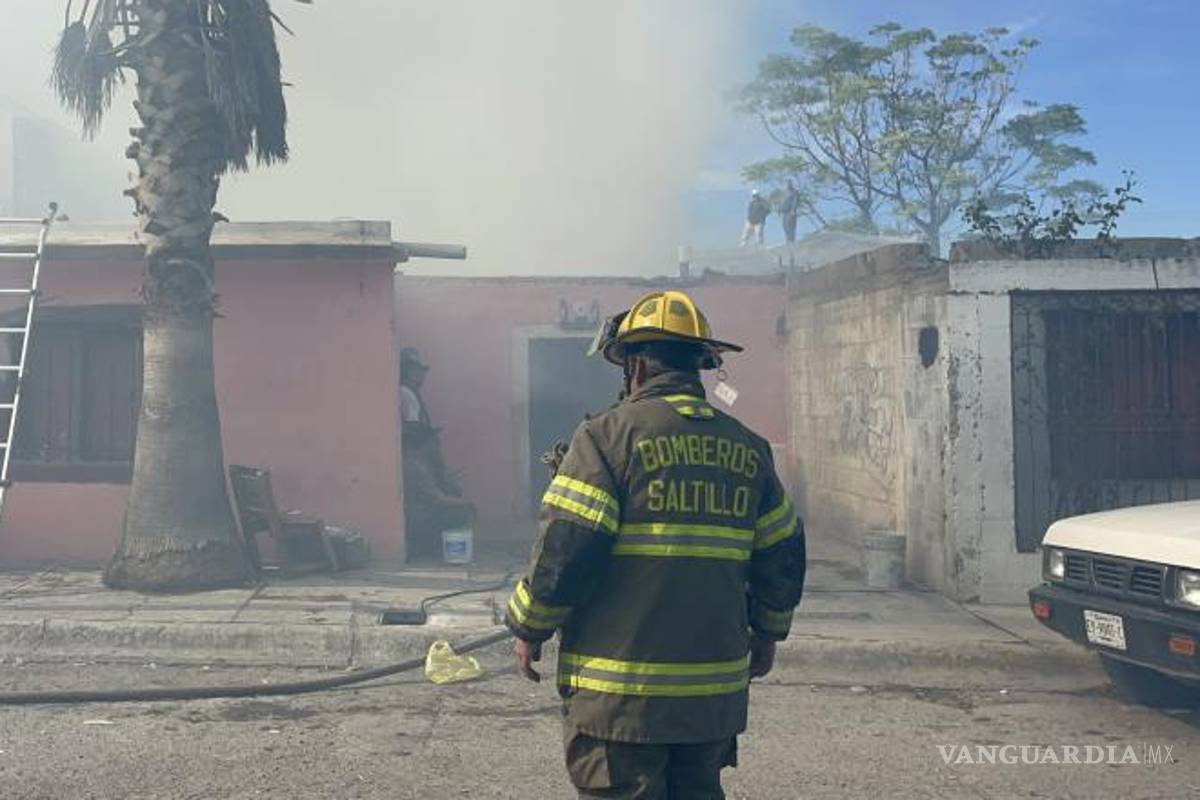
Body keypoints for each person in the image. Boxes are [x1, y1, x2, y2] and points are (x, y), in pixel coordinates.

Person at [505, 290, 806, 799]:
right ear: (702, 364)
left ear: (637, 367)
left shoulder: (605, 439)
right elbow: (783, 553)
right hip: (709, 702)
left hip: (622, 703)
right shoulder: (750, 449)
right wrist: (768, 635)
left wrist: (529, 626)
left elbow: (569, 548)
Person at [402, 425, 474, 561]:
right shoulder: (414, 466)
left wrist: (443, 469)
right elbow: (437, 499)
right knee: (460, 513)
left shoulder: (426, 463)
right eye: (435, 443)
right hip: (416, 520)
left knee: (457, 507)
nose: (438, 446)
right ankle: (423, 546)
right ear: (424, 445)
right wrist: (467, 504)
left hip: (425, 513)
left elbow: (451, 490)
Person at [400, 347, 432, 426]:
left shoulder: (409, 392)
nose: (422, 375)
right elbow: (413, 429)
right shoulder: (406, 393)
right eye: (418, 369)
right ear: (407, 370)